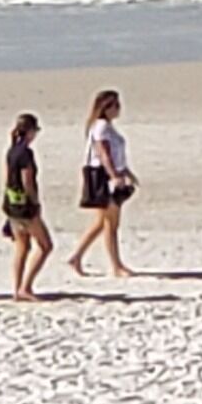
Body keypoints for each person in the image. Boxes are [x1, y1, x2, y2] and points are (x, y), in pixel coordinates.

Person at [68, 88, 135, 279]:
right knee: (110, 223)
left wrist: (127, 171)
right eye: (115, 105)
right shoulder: (101, 127)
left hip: (111, 174)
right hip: (103, 177)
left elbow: (114, 154)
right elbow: (103, 154)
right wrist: (114, 175)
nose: (119, 109)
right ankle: (116, 265)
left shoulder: (107, 127)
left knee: (102, 222)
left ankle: (77, 256)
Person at [1, 111, 53, 300]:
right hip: (25, 206)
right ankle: (26, 286)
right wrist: (35, 202)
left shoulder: (11, 150)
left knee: (22, 247)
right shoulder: (25, 153)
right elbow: (27, 181)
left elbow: (7, 179)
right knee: (45, 245)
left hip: (11, 203)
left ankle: (17, 288)